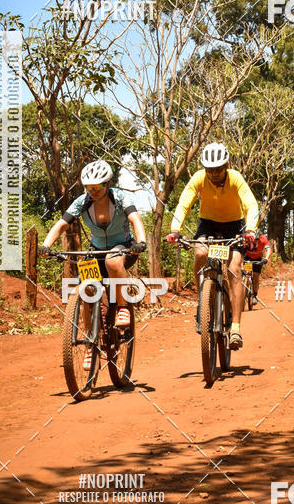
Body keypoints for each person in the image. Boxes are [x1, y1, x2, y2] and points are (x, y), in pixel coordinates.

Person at [39, 159, 146, 368]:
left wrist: (141, 242)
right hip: (96, 250)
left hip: (124, 246)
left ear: (107, 185)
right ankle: (90, 344)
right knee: (87, 289)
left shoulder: (119, 197)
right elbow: (61, 225)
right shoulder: (83, 202)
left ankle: (123, 307)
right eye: (88, 187)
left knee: (112, 262)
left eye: (97, 187)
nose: (92, 191)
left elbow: (135, 220)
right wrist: (45, 246)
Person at [166, 142, 259, 350]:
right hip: (207, 224)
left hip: (234, 226)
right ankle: (203, 296)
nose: (214, 174)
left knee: (234, 269)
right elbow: (184, 203)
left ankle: (235, 326)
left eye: (218, 169)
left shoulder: (235, 178)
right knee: (200, 252)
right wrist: (175, 229)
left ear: (226, 165)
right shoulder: (199, 178)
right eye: (210, 170)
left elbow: (251, 204)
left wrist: (250, 229)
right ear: (205, 168)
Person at [243, 231, 271, 305]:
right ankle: (244, 291)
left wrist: (266, 258)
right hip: (248, 258)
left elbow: (268, 249)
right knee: (247, 273)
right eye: (254, 240)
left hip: (258, 259)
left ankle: (254, 295)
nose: (255, 242)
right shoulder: (247, 238)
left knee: (256, 276)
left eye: (257, 240)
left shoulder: (264, 239)